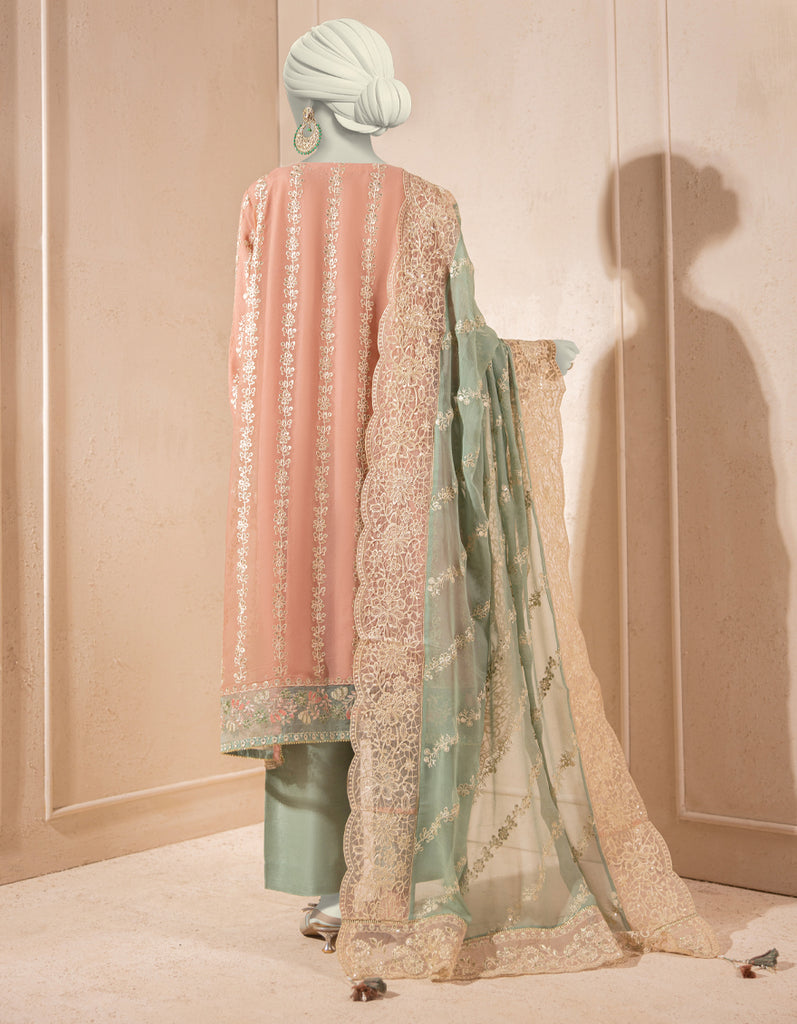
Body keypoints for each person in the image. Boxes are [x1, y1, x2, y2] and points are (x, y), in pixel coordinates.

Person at [221, 17, 719, 980]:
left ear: (307, 99)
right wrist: (528, 364)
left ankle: (326, 885)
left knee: (316, 642)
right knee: (399, 649)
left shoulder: (262, 199)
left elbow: (248, 355)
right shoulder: (426, 203)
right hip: (405, 470)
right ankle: (397, 877)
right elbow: (461, 345)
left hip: (291, 474)